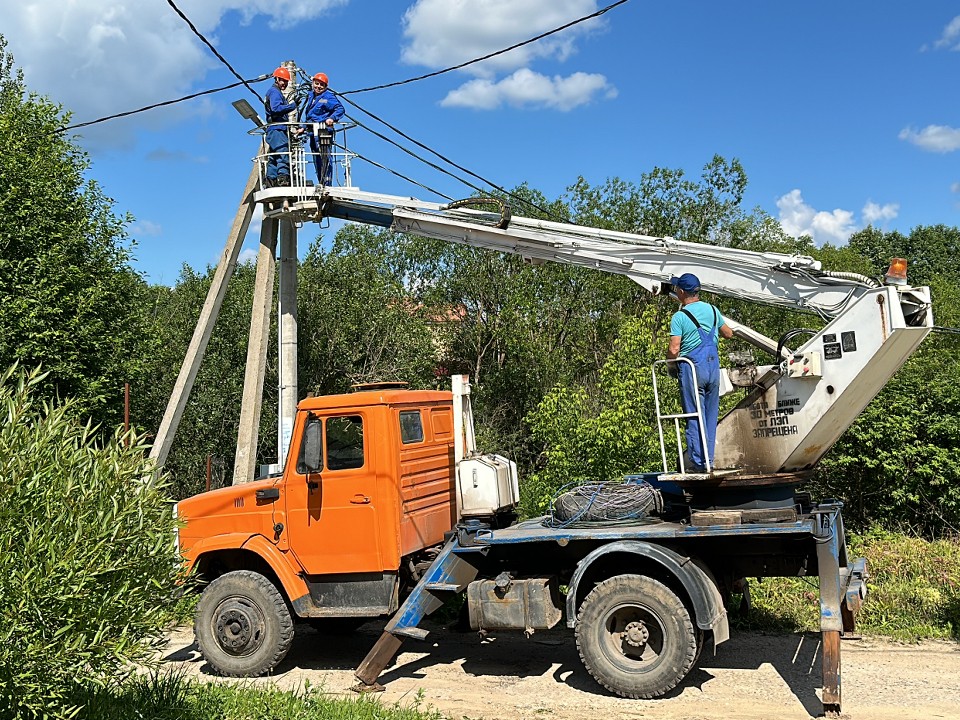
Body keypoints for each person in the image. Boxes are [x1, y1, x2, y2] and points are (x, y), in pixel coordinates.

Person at [665, 272, 734, 473]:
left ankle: (698, 463)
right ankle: (709, 461)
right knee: (710, 416)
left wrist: (670, 363)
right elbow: (728, 333)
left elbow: (675, 348)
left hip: (692, 368)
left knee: (694, 415)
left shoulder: (679, 316)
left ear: (681, 291)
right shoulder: (713, 310)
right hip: (713, 369)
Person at [301, 72, 345, 186]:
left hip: (323, 131)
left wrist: (332, 118)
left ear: (325, 87)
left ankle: (327, 183)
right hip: (312, 132)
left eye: (321, 85)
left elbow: (340, 109)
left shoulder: (328, 97)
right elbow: (310, 116)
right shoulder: (311, 96)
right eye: (317, 84)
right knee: (317, 159)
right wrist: (303, 128)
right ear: (312, 83)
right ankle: (321, 180)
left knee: (325, 157)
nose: (318, 87)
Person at [264, 67, 299, 187]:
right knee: (283, 154)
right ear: (277, 79)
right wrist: (292, 106)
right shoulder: (274, 92)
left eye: (286, 81)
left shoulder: (274, 92)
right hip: (277, 129)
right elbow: (276, 108)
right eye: (282, 80)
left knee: (274, 157)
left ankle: (271, 181)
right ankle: (283, 180)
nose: (284, 83)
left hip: (274, 130)